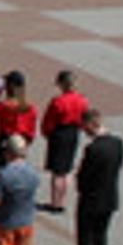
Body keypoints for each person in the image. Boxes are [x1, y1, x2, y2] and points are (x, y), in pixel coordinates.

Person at [70, 110, 123, 245]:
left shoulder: (93, 149)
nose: (83, 131)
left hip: (90, 200)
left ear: (92, 124)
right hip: (109, 199)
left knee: (84, 244)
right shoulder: (118, 144)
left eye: (84, 127)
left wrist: (80, 183)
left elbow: (84, 177)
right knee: (101, 242)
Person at [42, 70, 89, 210]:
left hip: (59, 133)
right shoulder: (82, 100)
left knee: (57, 171)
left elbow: (49, 121)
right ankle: (62, 200)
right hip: (73, 133)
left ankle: (54, 202)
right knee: (66, 169)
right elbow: (84, 117)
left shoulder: (58, 101)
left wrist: (47, 132)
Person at [0, 70, 37, 175]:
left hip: (5, 138)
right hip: (22, 140)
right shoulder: (30, 108)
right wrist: (27, 143)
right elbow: (32, 130)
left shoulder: (6, 106)